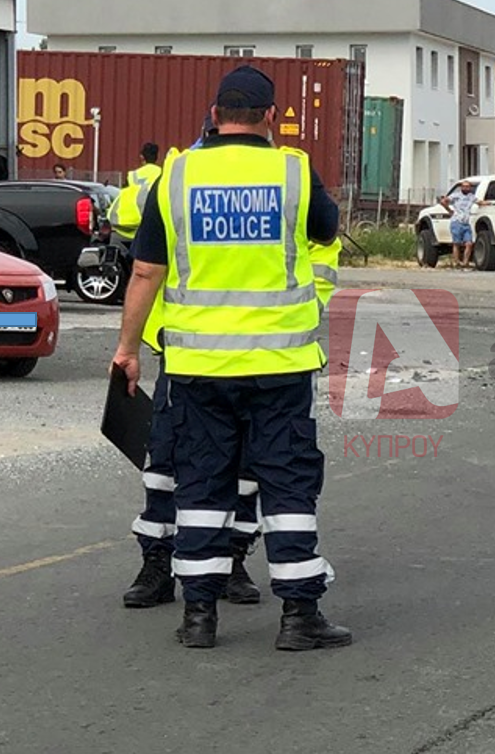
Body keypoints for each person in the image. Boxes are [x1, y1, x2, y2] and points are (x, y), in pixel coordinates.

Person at [111, 64, 350, 651]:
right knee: (287, 483)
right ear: (271, 118)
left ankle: (198, 617)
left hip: (197, 367)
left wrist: (126, 350)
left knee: (200, 483)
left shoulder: (178, 174)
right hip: (278, 363)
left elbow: (146, 270)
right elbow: (325, 231)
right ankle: (299, 616)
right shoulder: (293, 170)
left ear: (214, 116)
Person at [107, 142, 163, 239]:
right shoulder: (162, 173)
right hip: (149, 219)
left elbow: (124, 193)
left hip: (127, 221)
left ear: (142, 157)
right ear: (156, 157)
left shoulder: (133, 175)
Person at [439, 179, 478, 267]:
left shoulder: (471, 197)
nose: (466, 188)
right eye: (464, 186)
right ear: (461, 187)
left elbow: (479, 202)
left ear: (470, 188)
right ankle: (456, 262)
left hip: (466, 222)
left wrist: (491, 203)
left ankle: (465, 262)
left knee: (469, 243)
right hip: (456, 221)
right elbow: (443, 201)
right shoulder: (455, 196)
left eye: (467, 186)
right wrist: (449, 210)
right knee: (456, 243)